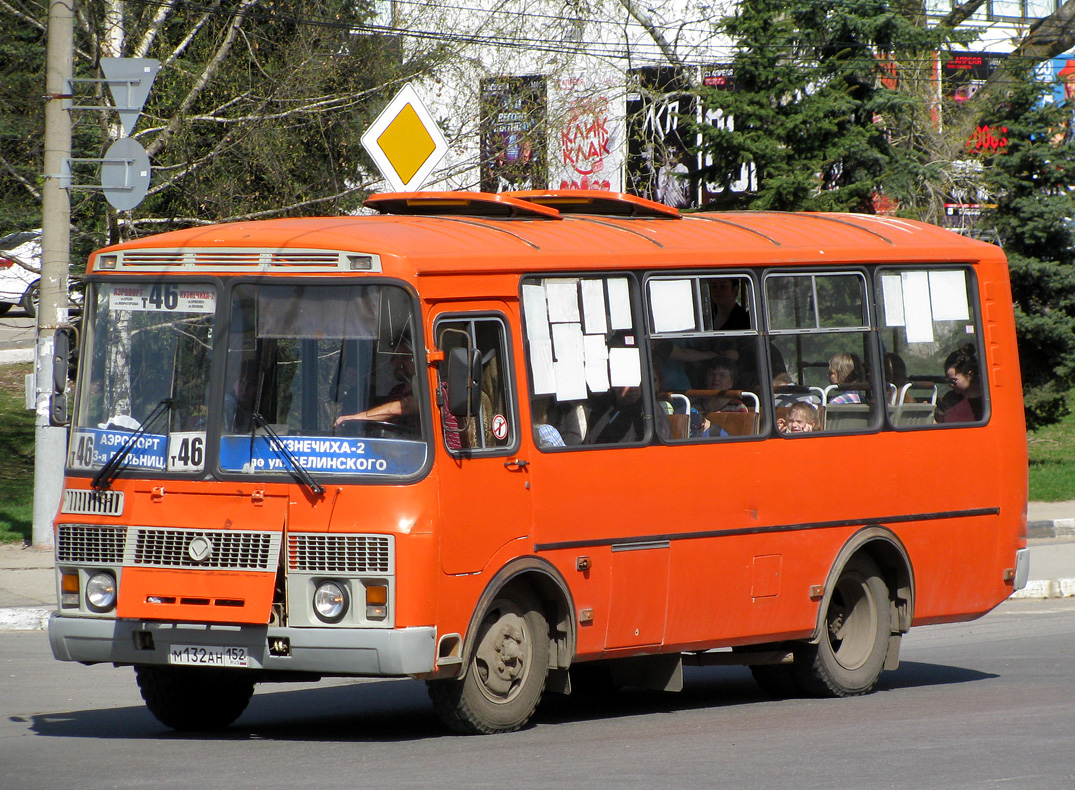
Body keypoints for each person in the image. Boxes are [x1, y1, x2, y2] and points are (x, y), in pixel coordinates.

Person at [335, 345, 417, 430]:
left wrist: (355, 418)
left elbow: (405, 406)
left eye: (404, 357)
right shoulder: (396, 390)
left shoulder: (426, 390)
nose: (398, 363)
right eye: (396, 358)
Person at [938, 344, 983, 423]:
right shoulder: (950, 398)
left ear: (969, 375)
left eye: (953, 380)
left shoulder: (986, 401)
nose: (950, 384)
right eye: (947, 380)